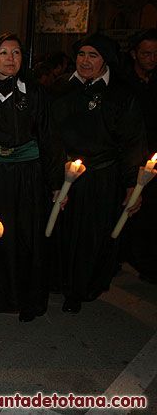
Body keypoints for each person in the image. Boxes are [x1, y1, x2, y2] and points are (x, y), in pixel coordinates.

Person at [50, 33, 147, 313]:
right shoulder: (60, 88)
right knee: (62, 230)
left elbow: (132, 142)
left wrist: (132, 184)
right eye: (81, 54)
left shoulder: (121, 92)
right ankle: (60, 281)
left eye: (93, 55)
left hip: (101, 177)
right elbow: (48, 133)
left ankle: (80, 288)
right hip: (65, 173)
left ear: (105, 59)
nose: (85, 61)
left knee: (91, 234)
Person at [0, 34, 65, 322]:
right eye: (3, 52)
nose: (10, 58)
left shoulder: (36, 93)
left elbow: (50, 138)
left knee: (27, 237)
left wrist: (57, 184)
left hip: (28, 176)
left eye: (16, 53)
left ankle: (29, 300)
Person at [123, 29, 157, 284]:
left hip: (154, 156)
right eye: (146, 53)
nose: (152, 58)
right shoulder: (123, 83)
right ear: (134, 54)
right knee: (128, 206)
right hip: (130, 155)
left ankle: (147, 262)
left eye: (156, 53)